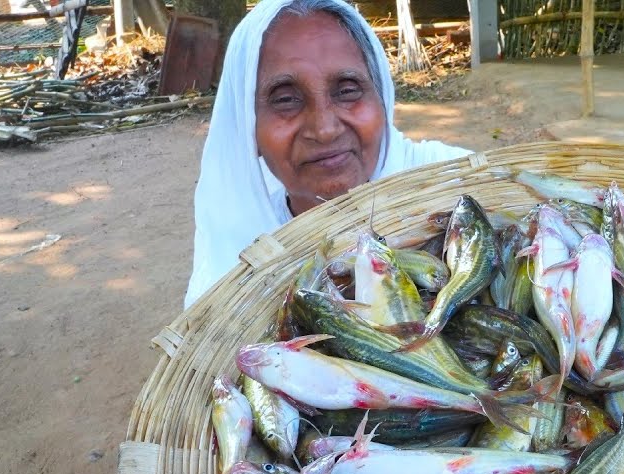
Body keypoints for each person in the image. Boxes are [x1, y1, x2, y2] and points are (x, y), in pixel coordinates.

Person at [184, 0, 468, 307]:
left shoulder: (458, 184)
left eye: (347, 89)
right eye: (285, 99)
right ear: (248, 128)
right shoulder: (234, 256)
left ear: (382, 97)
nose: (325, 129)